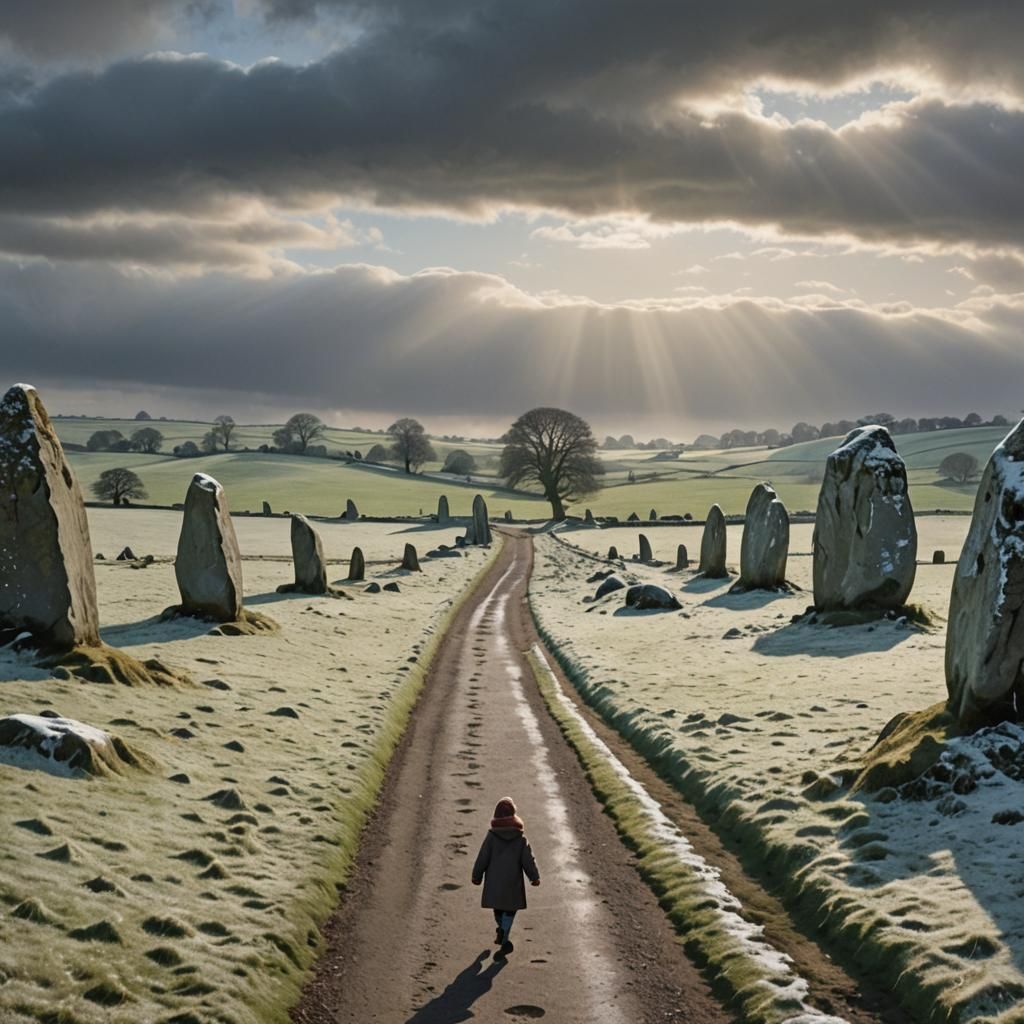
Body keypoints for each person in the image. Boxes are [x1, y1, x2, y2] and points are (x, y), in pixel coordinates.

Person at [471, 796, 540, 954]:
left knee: (498, 909)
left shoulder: (491, 837)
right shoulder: (520, 838)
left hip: (494, 884)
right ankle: (504, 933)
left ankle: (501, 930)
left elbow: (483, 857)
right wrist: (534, 877)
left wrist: (477, 875)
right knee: (510, 910)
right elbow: (528, 860)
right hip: (513, 884)